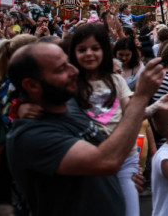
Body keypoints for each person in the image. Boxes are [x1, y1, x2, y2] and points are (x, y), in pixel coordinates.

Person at [6, 39, 164, 215]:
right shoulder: (31, 135)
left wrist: (120, 178)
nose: (74, 71)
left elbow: (107, 151)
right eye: (61, 69)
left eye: (68, 63)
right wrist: (141, 97)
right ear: (32, 85)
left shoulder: (71, 105)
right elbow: (106, 161)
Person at [68, 24, 141, 216]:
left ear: (104, 51)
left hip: (125, 158)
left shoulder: (116, 80)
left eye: (95, 48)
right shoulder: (70, 85)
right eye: (82, 50)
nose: (89, 54)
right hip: (90, 159)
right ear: (73, 53)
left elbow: (130, 114)